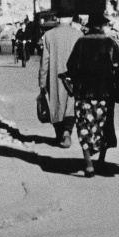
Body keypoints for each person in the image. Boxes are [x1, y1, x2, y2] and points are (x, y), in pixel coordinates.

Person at [64, 10, 119, 176]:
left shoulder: (80, 43)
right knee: (103, 127)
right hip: (105, 94)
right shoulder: (110, 43)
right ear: (102, 27)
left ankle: (88, 163)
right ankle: (101, 161)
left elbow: (71, 67)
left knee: (84, 127)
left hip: (84, 93)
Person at [38, 11, 82, 148]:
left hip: (55, 76)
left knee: (56, 104)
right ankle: (67, 131)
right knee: (71, 103)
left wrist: (42, 82)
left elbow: (44, 61)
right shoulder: (79, 35)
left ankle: (59, 135)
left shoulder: (49, 35)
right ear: (71, 19)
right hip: (73, 77)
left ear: (57, 19)